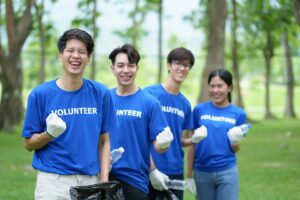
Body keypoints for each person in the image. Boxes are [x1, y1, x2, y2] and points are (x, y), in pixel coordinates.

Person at [22, 28, 117, 199]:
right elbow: (28, 144)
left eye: (82, 52)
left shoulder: (101, 93)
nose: (76, 56)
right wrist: (49, 134)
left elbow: (104, 142)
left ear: (88, 58)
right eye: (70, 50)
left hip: (90, 183)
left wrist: (104, 183)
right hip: (53, 183)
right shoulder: (40, 95)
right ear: (60, 55)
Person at [108, 44, 174, 200]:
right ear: (112, 69)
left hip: (134, 181)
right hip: (104, 177)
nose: (126, 70)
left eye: (131, 65)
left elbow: (158, 147)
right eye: (120, 65)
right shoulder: (105, 99)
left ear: (137, 68)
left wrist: (164, 143)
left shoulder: (149, 102)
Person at [144, 47, 205, 200]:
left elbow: (180, 140)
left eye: (186, 65)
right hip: (149, 168)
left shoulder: (184, 104)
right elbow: (139, 135)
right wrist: (151, 169)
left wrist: (193, 140)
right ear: (169, 65)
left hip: (175, 168)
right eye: (178, 63)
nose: (182, 68)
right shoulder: (149, 94)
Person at [187, 69, 248, 200]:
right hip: (202, 172)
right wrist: (189, 176)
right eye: (212, 86)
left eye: (220, 86)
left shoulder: (239, 114)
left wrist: (236, 141)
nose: (215, 90)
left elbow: (235, 149)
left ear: (229, 87)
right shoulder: (199, 110)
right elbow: (192, 145)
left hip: (227, 172)